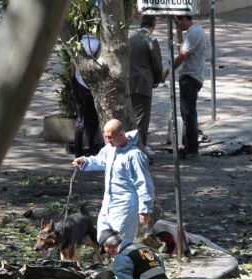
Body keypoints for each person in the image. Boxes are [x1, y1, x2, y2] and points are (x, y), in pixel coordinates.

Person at [72, 119, 155, 242]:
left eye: (110, 138)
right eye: (106, 137)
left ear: (121, 134)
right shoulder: (110, 149)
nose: (108, 141)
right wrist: (84, 162)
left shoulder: (134, 155)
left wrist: (145, 209)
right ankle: (108, 260)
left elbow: (144, 184)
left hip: (125, 207)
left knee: (119, 243)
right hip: (107, 204)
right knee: (102, 239)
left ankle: (122, 261)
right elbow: (100, 160)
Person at [162, 15, 206, 159]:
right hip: (191, 76)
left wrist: (168, 70)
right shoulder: (191, 32)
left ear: (185, 19)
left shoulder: (194, 32)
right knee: (188, 113)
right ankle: (189, 146)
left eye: (178, 22)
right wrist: (179, 33)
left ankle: (192, 149)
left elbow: (182, 55)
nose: (177, 24)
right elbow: (182, 47)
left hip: (190, 77)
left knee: (188, 114)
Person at [129, 15, 163, 150]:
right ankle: (139, 149)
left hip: (129, 83)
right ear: (153, 25)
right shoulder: (151, 40)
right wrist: (156, 80)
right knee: (141, 120)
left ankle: (131, 146)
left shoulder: (130, 39)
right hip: (144, 84)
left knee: (131, 118)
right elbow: (157, 65)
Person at [73, 33, 102, 156]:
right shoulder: (97, 44)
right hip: (89, 85)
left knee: (80, 118)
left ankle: (78, 149)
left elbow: (72, 66)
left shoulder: (77, 43)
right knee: (91, 119)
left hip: (78, 82)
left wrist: (73, 81)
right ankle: (87, 148)